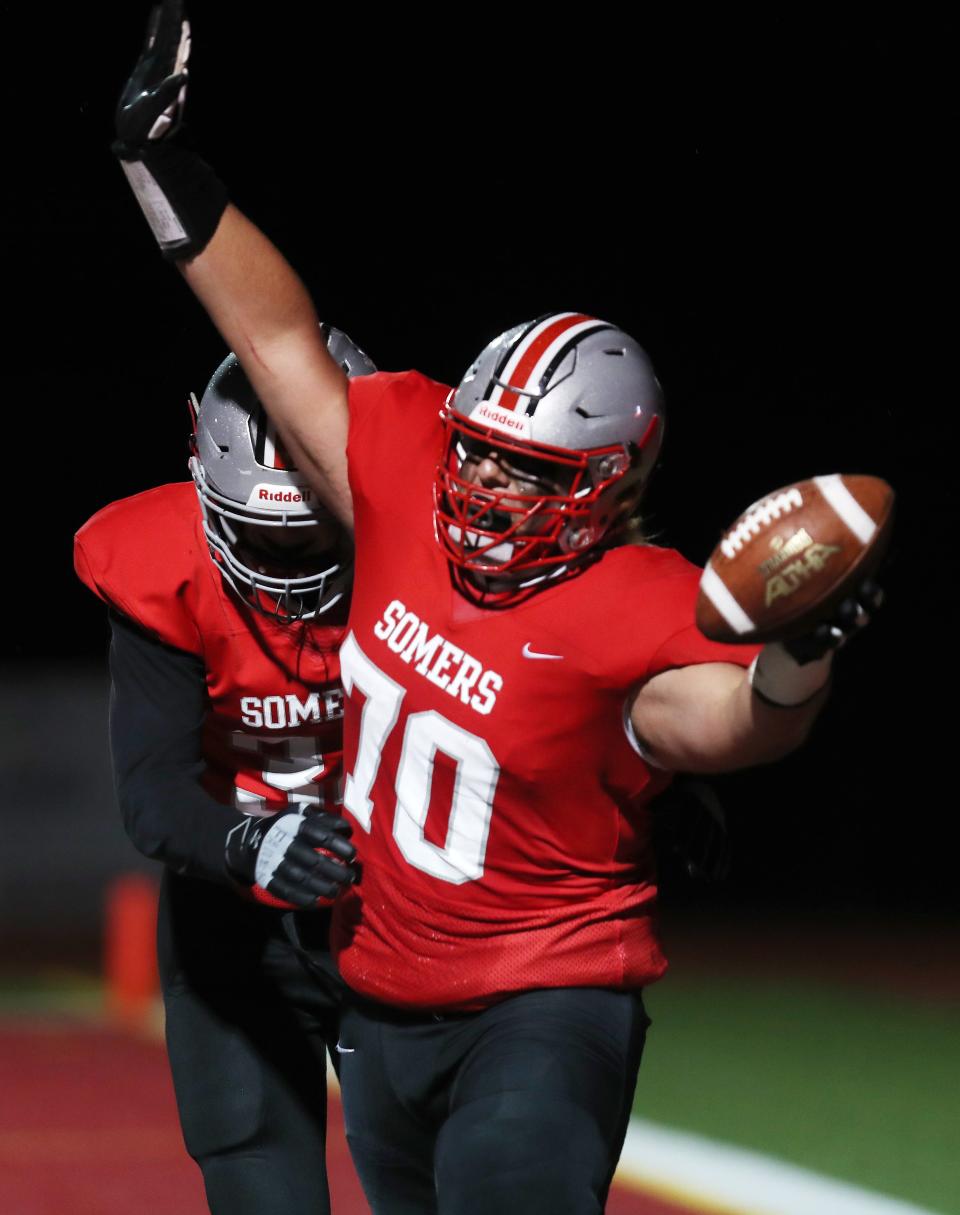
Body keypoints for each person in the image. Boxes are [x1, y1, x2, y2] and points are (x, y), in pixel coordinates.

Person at [110, 6, 881, 1212]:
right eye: (479, 450)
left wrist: (797, 658)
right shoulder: (404, 474)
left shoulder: (639, 601)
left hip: (546, 1000)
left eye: (533, 469)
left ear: (611, 483)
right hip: (381, 999)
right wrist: (166, 174)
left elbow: (731, 722)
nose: (485, 484)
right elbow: (269, 332)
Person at [74, 328, 375, 1215]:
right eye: (259, 534)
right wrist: (249, 842)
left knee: (441, 1183)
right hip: (233, 915)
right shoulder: (161, 565)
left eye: (309, 531)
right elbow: (154, 793)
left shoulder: (433, 551)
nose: (284, 572)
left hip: (401, 913)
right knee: (258, 1181)